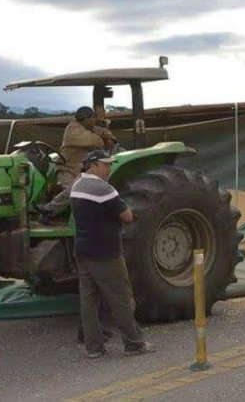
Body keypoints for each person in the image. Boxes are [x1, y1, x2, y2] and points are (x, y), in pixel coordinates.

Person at [71, 149, 152, 358]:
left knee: (89, 302)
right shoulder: (103, 189)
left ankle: (94, 348)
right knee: (121, 299)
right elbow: (126, 216)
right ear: (93, 165)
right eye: (106, 165)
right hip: (106, 254)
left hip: (82, 252)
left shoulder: (77, 185)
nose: (109, 169)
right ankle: (134, 344)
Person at [38, 106, 116, 222]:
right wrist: (105, 137)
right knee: (76, 189)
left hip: (78, 172)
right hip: (67, 171)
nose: (94, 121)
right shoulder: (73, 130)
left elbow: (100, 131)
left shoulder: (85, 127)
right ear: (85, 118)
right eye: (93, 118)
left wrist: (107, 134)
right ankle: (48, 210)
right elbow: (96, 142)